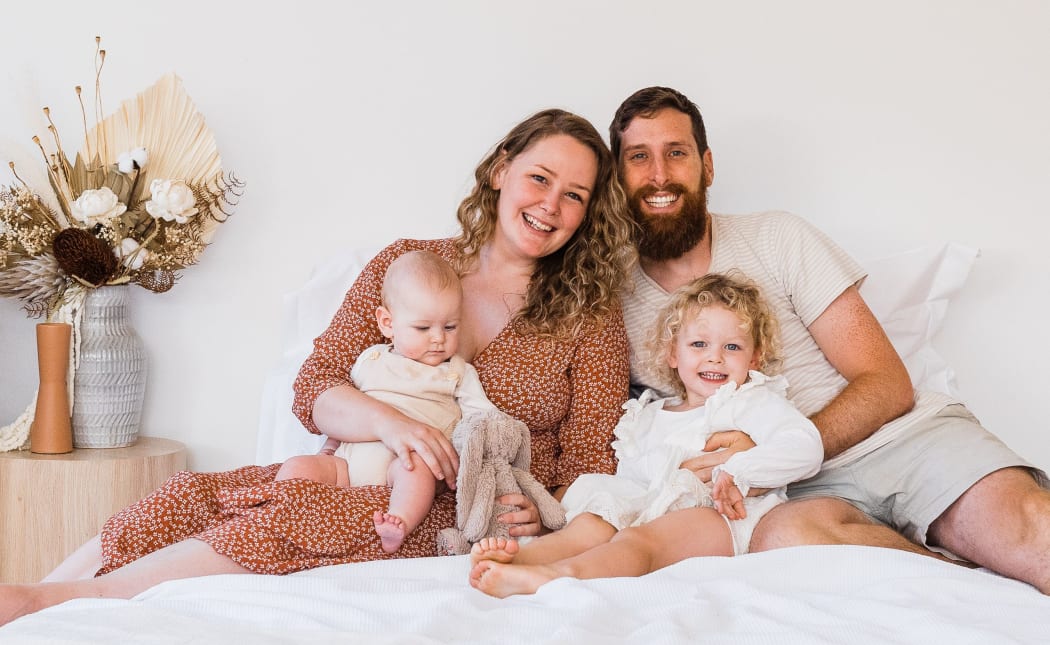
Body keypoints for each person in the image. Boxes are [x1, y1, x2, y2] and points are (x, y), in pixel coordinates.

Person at [0, 107, 636, 625]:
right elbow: (315, 386)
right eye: (540, 179)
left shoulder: (590, 317)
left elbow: (589, 463)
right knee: (196, 494)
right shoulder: (409, 264)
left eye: (575, 195)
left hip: (448, 505)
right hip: (349, 465)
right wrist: (392, 424)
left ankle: (66, 604)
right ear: (501, 170)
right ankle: (40, 591)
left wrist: (540, 506)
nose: (552, 205)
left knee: (294, 518)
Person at [608, 85, 1050, 593]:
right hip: (792, 498)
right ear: (618, 177)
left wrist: (773, 450)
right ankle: (961, 574)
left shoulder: (779, 237)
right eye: (639, 157)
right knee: (782, 541)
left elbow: (886, 383)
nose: (659, 175)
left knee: (1026, 530)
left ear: (707, 166)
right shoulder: (612, 296)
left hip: (896, 442)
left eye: (676, 153)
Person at [468, 273, 823, 597]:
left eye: (732, 347)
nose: (715, 358)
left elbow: (805, 446)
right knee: (595, 521)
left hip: (720, 518)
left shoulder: (749, 402)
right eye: (699, 344)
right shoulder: (648, 415)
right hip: (646, 511)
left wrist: (741, 471)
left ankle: (559, 576)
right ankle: (526, 559)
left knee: (639, 539)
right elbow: (629, 490)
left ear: (755, 358)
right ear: (672, 353)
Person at [275, 250, 498, 553]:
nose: (438, 338)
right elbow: (348, 404)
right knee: (297, 466)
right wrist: (330, 447)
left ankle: (400, 521)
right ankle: (283, 511)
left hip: (402, 467)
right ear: (387, 323)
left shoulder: (457, 372)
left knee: (416, 472)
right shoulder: (371, 359)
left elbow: (485, 422)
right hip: (347, 466)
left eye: (450, 327)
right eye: (423, 328)